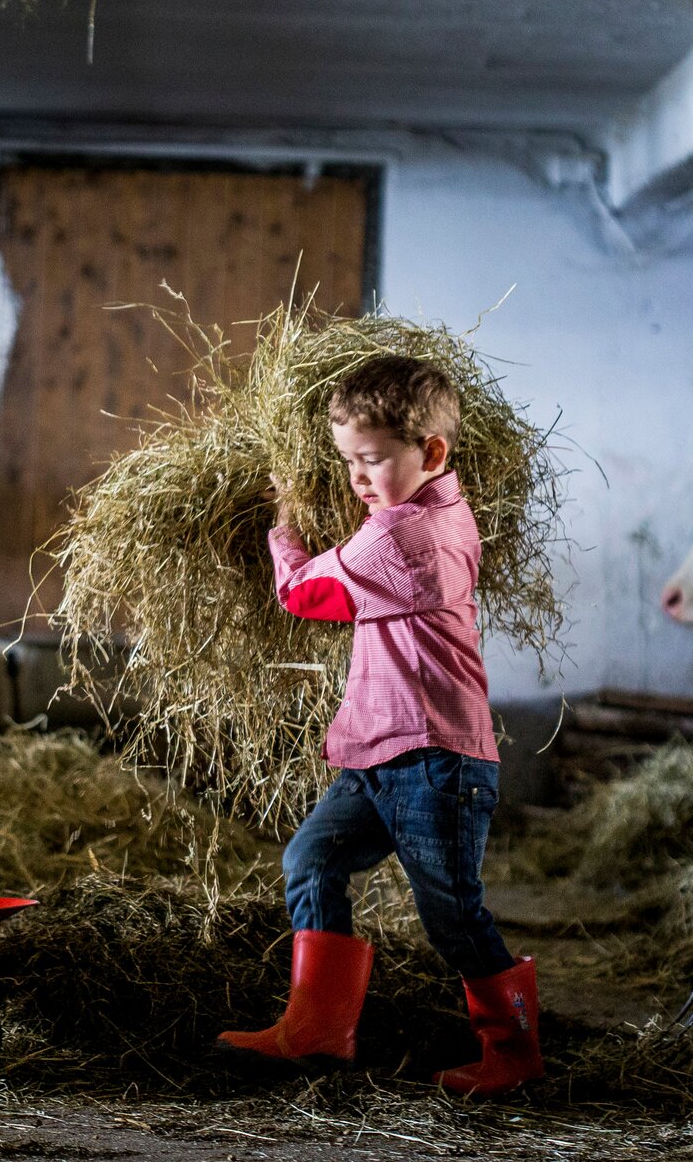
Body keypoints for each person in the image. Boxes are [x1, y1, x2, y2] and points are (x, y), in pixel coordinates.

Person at [216, 356, 543, 1096]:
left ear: (431, 452)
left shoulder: (393, 541)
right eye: (347, 463)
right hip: (385, 752)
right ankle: (317, 1031)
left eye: (370, 461)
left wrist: (285, 524)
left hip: (433, 759)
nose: (358, 480)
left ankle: (515, 1057)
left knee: (453, 919)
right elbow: (351, 601)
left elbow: (305, 596)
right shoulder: (445, 513)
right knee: (312, 859)